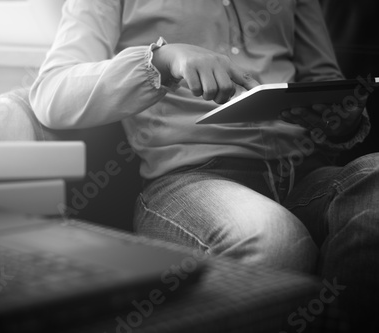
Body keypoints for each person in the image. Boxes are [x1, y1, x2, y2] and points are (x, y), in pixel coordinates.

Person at [29, 0, 378, 330]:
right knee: (272, 238)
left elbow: (324, 80)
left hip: (304, 174)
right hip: (191, 180)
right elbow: (51, 93)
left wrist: (342, 116)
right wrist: (162, 61)